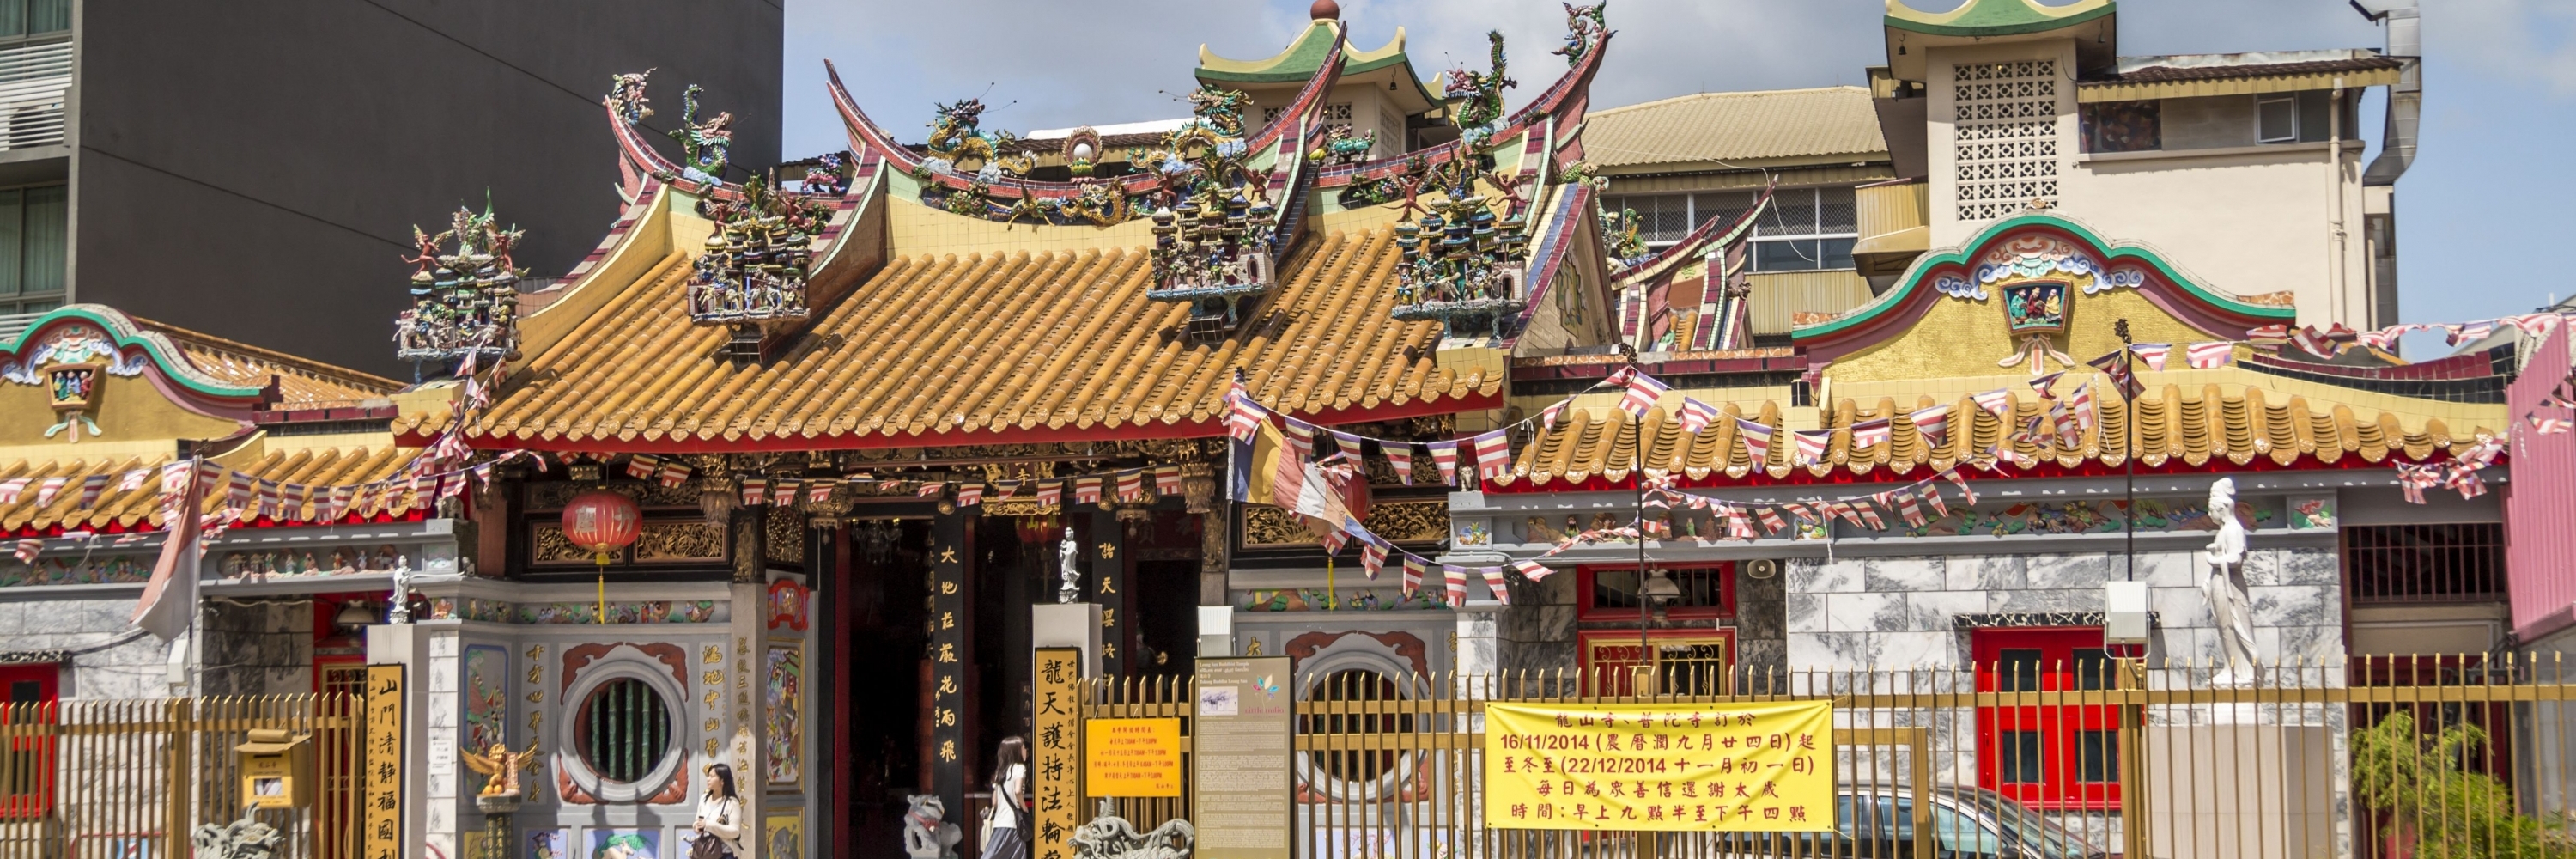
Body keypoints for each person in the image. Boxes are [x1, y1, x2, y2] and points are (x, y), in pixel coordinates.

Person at [979, 737, 1030, 859]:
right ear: (1015, 751)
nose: (1026, 750)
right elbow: (1018, 791)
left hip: (1000, 822)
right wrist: (1024, 808)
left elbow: (995, 802)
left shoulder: (1000, 772)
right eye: (1023, 747)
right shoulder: (1019, 768)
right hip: (1014, 823)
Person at [694, 763, 744, 859]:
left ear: (722, 781)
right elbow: (698, 820)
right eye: (708, 776)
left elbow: (735, 832)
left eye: (712, 776)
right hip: (705, 853)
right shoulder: (704, 799)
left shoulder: (732, 803)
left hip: (725, 854)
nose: (708, 779)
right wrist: (696, 826)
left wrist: (708, 825)